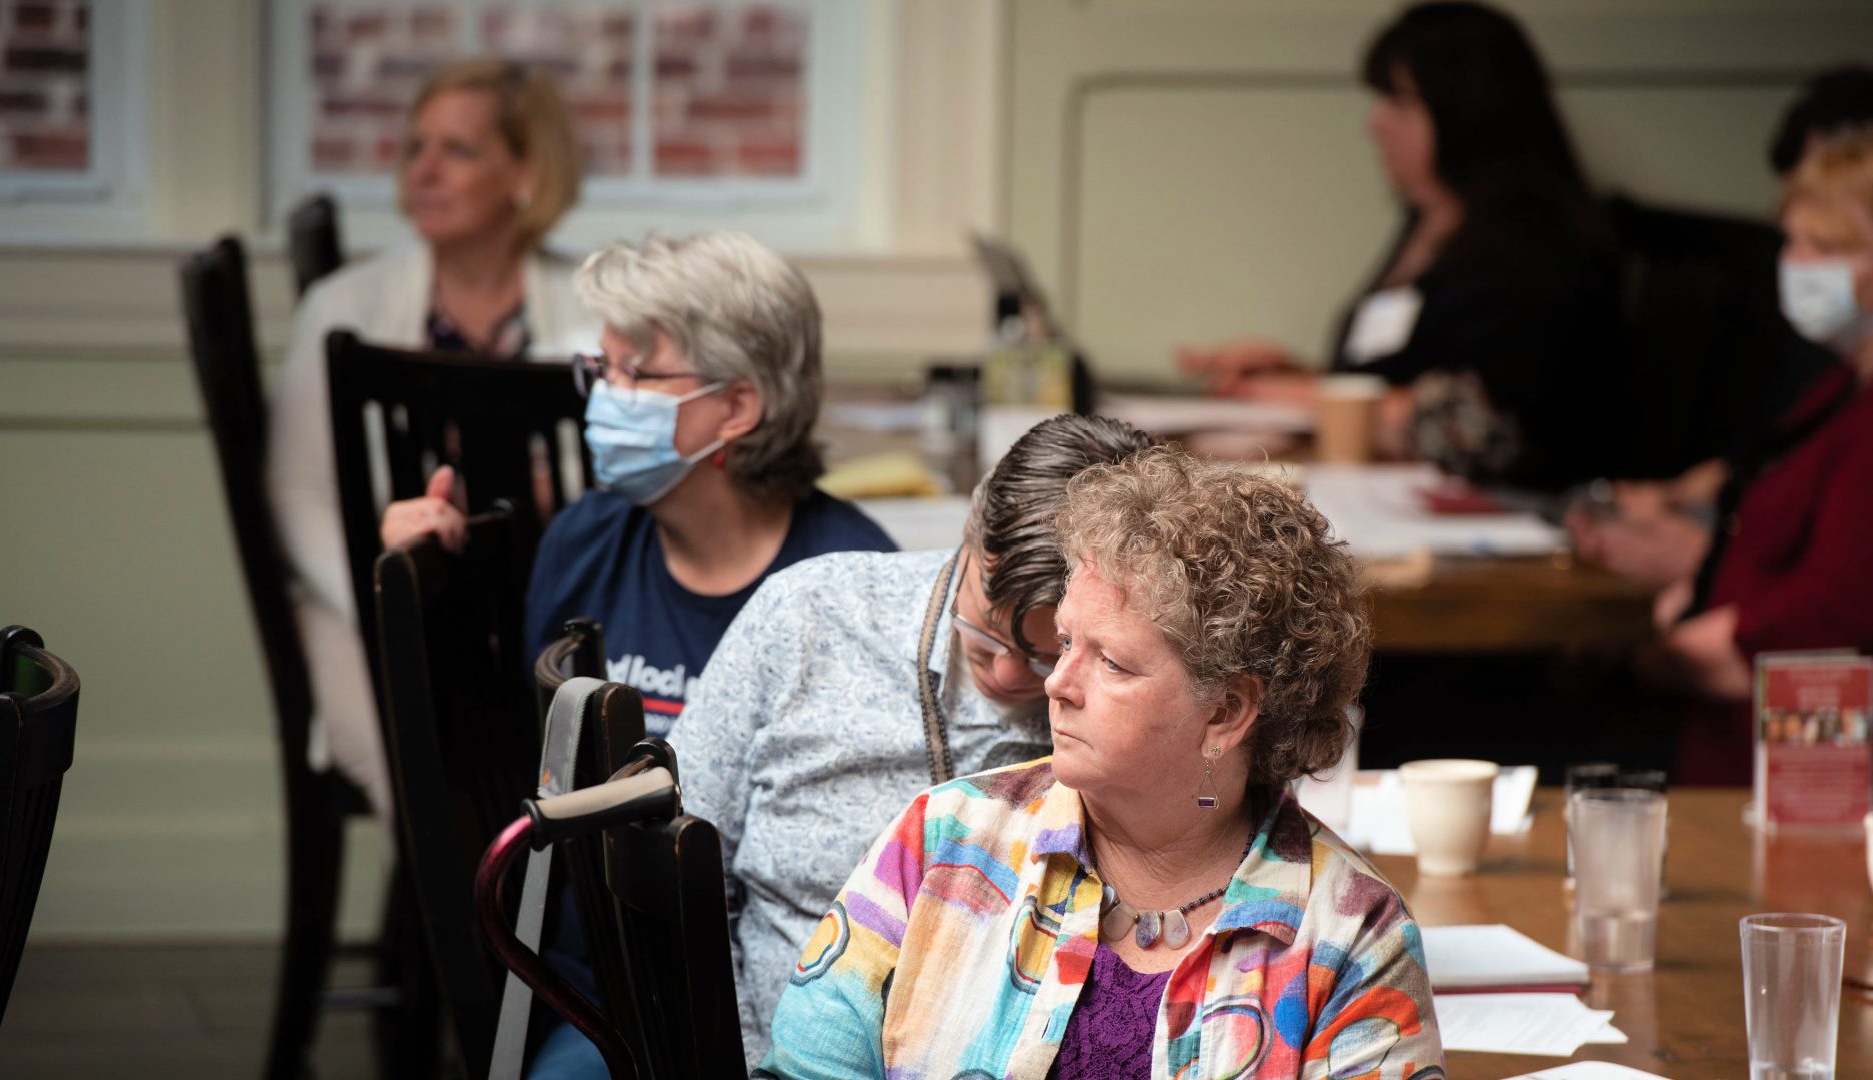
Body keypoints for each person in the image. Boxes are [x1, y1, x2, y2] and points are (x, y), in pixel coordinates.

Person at [757, 449, 1441, 1079]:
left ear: (1226, 713)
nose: (1058, 683)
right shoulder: (943, 840)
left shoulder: (1353, 936)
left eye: (1110, 661)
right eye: (1064, 643)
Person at [669, 414, 1156, 1067]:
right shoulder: (807, 616)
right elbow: (671, 871)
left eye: (1054, 651)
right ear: (970, 531)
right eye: (986, 628)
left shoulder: (1141, 709)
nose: (1010, 674)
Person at [382, 232, 898, 734]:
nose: (605, 397)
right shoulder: (582, 540)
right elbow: (520, 757)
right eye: (604, 369)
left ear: (737, 408)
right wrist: (429, 586)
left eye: (635, 373)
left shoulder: (854, 585)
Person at [267, 59, 601, 817]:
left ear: (525, 171)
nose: (424, 171)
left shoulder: (587, 308)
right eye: (416, 148)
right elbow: (297, 492)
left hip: (536, 608)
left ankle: (545, 925)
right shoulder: (343, 306)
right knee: (433, 787)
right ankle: (454, 927)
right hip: (363, 606)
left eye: (458, 150)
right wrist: (386, 602)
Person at [1179, 1, 1623, 490]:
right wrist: (1289, 374)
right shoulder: (1428, 220)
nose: (1375, 123)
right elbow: (1399, 370)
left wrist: (1304, 396)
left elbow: (1490, 423)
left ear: (1467, 115)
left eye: (1400, 104)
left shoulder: (1540, 249)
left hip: (1502, 518)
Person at [1572, 129, 1873, 782]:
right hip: (1732, 739)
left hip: (1789, 770)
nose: (1795, 264)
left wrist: (1646, 659)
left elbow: (1824, 624)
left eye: (1823, 247)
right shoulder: (1837, 389)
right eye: (1793, 242)